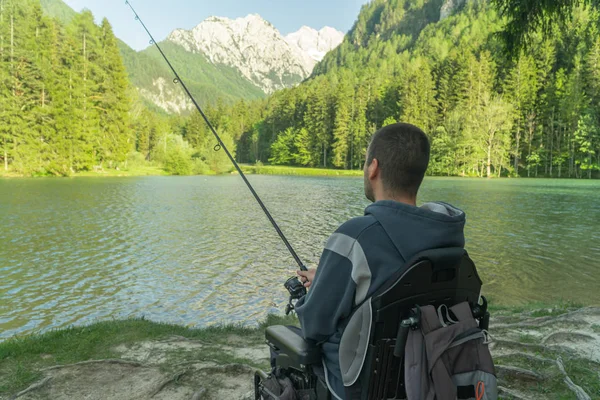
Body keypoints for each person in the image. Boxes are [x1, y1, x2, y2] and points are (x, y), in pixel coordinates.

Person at [293, 122, 467, 400]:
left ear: (373, 167)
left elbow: (313, 326)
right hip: (429, 373)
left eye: (365, 164)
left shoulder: (355, 237)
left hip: (358, 385)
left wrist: (313, 292)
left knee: (286, 340)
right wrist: (327, 279)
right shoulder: (449, 237)